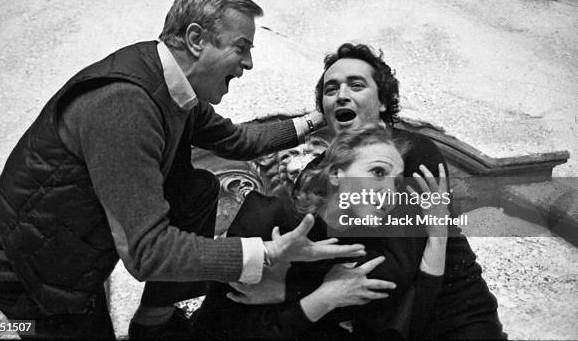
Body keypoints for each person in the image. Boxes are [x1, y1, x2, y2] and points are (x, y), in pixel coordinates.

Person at [0, 0, 367, 339]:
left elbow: (237, 139)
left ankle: (152, 317)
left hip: (73, 241)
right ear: (196, 39)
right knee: (68, 325)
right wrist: (263, 255)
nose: (248, 65)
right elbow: (147, 252)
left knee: (197, 189)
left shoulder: (173, 83)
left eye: (356, 86)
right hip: (28, 269)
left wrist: (317, 119)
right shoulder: (124, 106)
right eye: (241, 48)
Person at [214, 43, 505, 339]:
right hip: (372, 320)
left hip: (451, 315)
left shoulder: (413, 153)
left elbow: (396, 270)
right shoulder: (318, 170)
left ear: (382, 102)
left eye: (356, 85)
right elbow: (311, 251)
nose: (342, 95)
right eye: (331, 90)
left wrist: (289, 288)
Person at [193, 125, 451, 340]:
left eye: (397, 182)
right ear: (337, 173)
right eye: (377, 172)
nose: (390, 192)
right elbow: (224, 330)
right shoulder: (265, 218)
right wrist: (322, 299)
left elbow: (405, 323)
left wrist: (439, 235)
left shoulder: (368, 248)